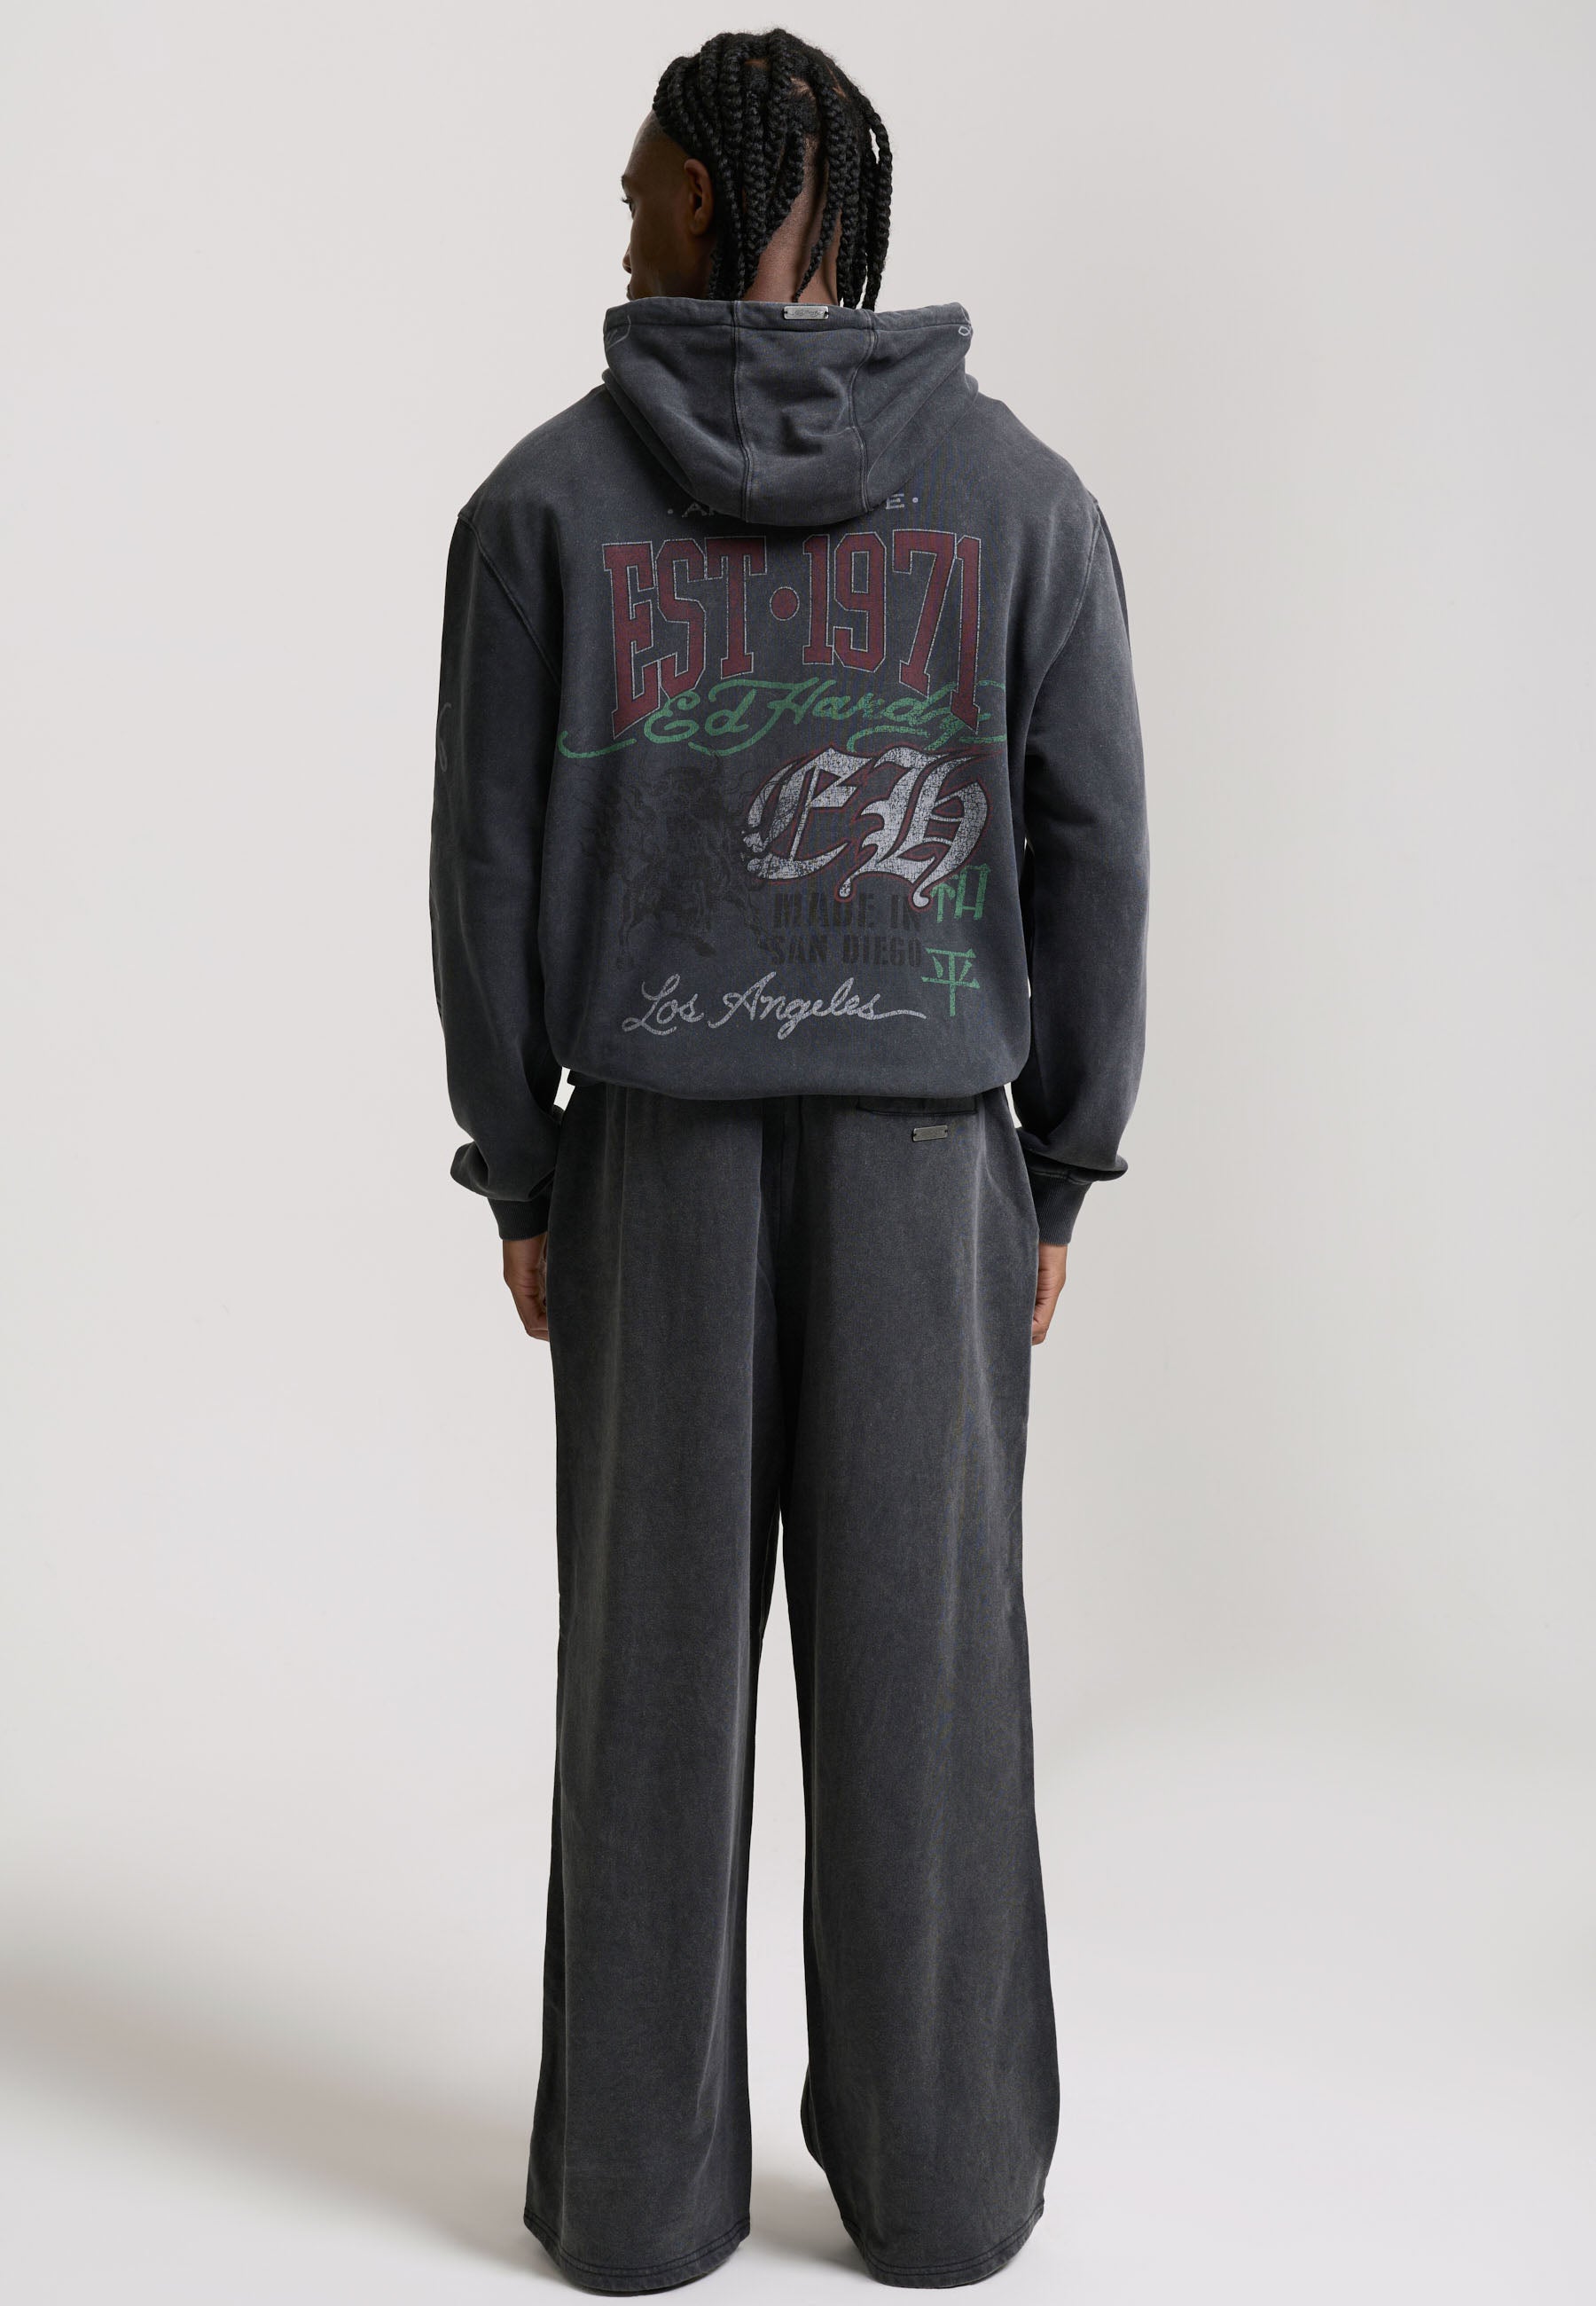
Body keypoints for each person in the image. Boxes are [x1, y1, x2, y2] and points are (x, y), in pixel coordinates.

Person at [429, 27, 1148, 2294]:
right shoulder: (1024, 504)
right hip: (930, 1167)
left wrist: (521, 1162)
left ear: (740, 202)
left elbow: (485, 872)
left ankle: (640, 2202)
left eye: (647, 186)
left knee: (648, 1687)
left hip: (654, 1163)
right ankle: (944, 2186)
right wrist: (1060, 1162)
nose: (622, 221)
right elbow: (1100, 859)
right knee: (928, 1689)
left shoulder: (543, 509)